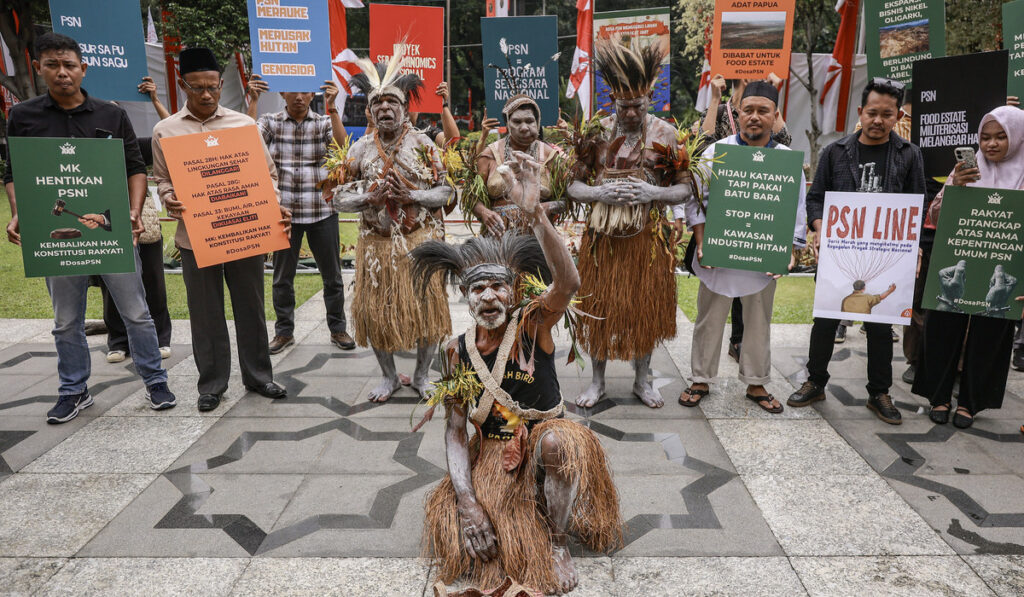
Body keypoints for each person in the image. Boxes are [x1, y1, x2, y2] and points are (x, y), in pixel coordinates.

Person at [415, 152, 621, 595]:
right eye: (478, 288)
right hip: (494, 451)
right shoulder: (455, 351)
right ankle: (507, 514)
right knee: (481, 542)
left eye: (498, 286)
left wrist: (537, 219)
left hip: (544, 436)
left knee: (556, 442)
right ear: (465, 297)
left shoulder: (532, 324)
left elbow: (567, 285)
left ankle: (558, 540)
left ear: (514, 291)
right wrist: (468, 502)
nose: (489, 297)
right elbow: (454, 431)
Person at [4, 32, 176, 420]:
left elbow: (136, 168)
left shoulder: (110, 114)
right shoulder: (23, 117)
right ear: (39, 68)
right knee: (66, 321)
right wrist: (19, 212)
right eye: (52, 65)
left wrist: (132, 213)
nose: (62, 72)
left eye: (69, 65)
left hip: (110, 232)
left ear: (83, 68)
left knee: (136, 312)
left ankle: (155, 381)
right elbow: (16, 173)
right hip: (58, 239)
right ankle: (73, 390)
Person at [152, 47, 291, 412]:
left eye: (212, 87)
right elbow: (162, 180)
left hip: (245, 231)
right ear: (183, 85)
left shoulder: (244, 126)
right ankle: (211, 384)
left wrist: (274, 208)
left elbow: (268, 176)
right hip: (196, 237)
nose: (206, 95)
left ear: (221, 83)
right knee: (205, 311)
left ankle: (259, 376)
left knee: (251, 306)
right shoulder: (165, 130)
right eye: (196, 87)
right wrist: (169, 197)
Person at [788, 77, 926, 425]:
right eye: (873, 113)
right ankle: (815, 381)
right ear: (861, 112)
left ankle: (879, 392)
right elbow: (816, 197)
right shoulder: (837, 152)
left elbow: (918, 205)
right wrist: (819, 227)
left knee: (880, 327)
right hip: (840, 253)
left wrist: (916, 250)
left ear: (898, 117)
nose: (879, 121)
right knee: (825, 320)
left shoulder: (909, 155)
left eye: (888, 114)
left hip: (887, 255)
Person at [567, 39, 691, 410]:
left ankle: (642, 381)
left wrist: (650, 193)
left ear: (649, 98)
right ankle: (597, 382)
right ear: (613, 101)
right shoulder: (596, 134)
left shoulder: (667, 135)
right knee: (600, 309)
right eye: (625, 107)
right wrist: (598, 195)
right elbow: (573, 186)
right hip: (602, 241)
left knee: (643, 312)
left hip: (647, 242)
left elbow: (684, 190)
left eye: (638, 106)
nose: (632, 114)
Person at [679, 81, 807, 413]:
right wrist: (702, 242)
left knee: (759, 320)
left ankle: (756, 382)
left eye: (762, 111)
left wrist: (788, 254)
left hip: (762, 255)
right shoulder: (714, 151)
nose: (754, 116)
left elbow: (795, 209)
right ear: (738, 112)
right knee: (709, 318)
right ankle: (699, 379)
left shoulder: (786, 161)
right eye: (748, 110)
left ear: (775, 116)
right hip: (718, 255)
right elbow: (695, 200)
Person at [332, 51, 452, 402]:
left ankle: (421, 375)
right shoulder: (358, 151)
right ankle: (388, 377)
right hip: (376, 247)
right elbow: (337, 197)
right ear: (369, 112)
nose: (385, 109)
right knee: (375, 314)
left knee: (428, 313)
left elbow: (446, 191)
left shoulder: (424, 145)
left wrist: (414, 194)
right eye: (378, 103)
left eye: (392, 102)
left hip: (419, 244)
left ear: (405, 110)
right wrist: (367, 200)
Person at [913, 106, 1024, 429]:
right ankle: (939, 396)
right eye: (985, 137)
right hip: (959, 257)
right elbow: (935, 217)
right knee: (943, 325)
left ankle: (970, 403)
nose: (991, 144)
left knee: (991, 333)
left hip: (1004, 268)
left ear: (1016, 137)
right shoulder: (966, 169)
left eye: (1001, 136)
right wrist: (955, 187)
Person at [245, 73, 356, 354]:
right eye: (292, 91)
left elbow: (344, 151)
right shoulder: (270, 122)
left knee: (332, 276)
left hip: (321, 210)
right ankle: (284, 332)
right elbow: (246, 143)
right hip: (284, 213)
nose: (298, 97)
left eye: (305, 92)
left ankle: (338, 328)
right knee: (282, 277)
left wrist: (332, 108)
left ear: (312, 94)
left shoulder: (322, 122)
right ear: (282, 94)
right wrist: (253, 100)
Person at [102, 76, 174, 365]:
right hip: (103, 225)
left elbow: (173, 136)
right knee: (111, 284)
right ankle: (118, 340)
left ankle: (161, 338)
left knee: (153, 280)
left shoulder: (135, 146)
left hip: (142, 225)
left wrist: (155, 99)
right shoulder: (82, 150)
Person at [473, 88, 564, 236]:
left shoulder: (550, 155)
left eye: (529, 121)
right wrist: (484, 213)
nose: (524, 127)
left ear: (537, 122)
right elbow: (472, 198)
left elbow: (568, 199)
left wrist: (548, 206)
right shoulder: (490, 154)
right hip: (498, 237)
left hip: (540, 237)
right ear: (507, 123)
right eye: (517, 121)